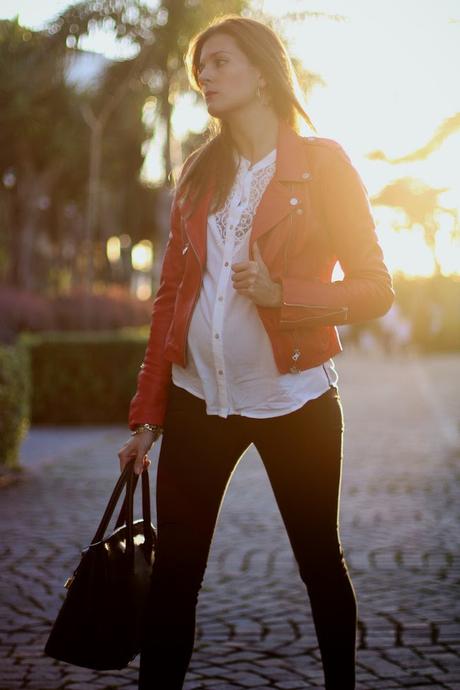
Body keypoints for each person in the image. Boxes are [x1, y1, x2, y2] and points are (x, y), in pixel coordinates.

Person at [118, 14, 395, 690]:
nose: (204, 77)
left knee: (318, 562)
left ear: (263, 71)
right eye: (200, 69)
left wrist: (285, 294)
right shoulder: (198, 172)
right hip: (197, 401)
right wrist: (147, 418)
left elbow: (375, 290)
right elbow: (169, 302)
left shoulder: (322, 164)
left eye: (219, 63)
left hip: (294, 400)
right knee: (175, 574)